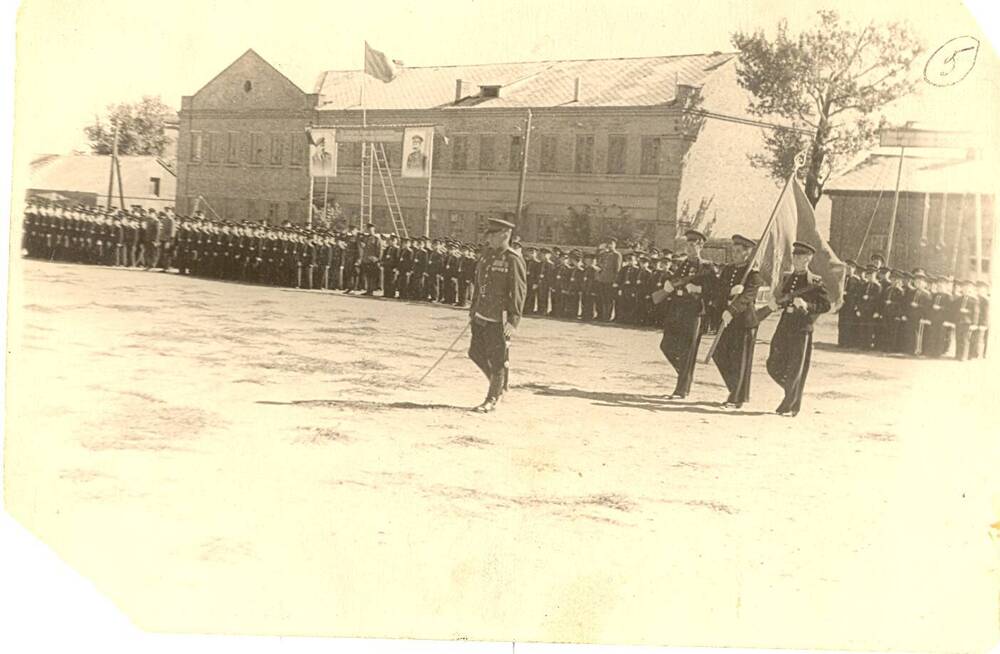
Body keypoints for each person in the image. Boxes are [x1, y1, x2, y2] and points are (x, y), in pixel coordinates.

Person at [467, 218, 527, 413]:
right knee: (475, 353)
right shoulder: (487, 255)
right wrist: (474, 308)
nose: (489, 239)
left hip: (498, 317)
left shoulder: (513, 259)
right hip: (481, 313)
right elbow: (479, 283)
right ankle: (498, 383)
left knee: (497, 359)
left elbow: (519, 291)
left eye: (492, 235)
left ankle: (492, 398)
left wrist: (513, 319)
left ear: (504, 235)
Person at [765, 241, 831, 417]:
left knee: (795, 367)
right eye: (795, 255)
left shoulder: (814, 281)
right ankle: (791, 393)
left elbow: (826, 305)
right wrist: (775, 303)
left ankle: (790, 403)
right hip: (785, 324)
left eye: (800, 256)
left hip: (801, 327)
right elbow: (782, 297)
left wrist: (807, 305)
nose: (796, 259)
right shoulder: (788, 278)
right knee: (773, 363)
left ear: (808, 259)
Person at [659, 229, 716, 399]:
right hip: (677, 309)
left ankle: (681, 389)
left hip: (693, 312)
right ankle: (685, 375)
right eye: (688, 245)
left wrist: (699, 289)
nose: (690, 248)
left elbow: (715, 290)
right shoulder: (683, 265)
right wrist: (668, 285)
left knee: (687, 351)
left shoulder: (707, 267)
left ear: (701, 246)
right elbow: (674, 279)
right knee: (666, 345)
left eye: (693, 245)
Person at [711, 234, 764, 408]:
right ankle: (736, 390)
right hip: (728, 320)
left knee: (739, 361)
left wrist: (733, 309)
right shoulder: (728, 270)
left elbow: (748, 297)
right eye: (733, 250)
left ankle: (735, 397)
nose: (735, 254)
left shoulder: (753, 275)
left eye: (739, 251)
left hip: (744, 321)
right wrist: (730, 291)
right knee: (719, 354)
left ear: (747, 253)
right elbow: (718, 290)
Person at [598, 238, 622, 321]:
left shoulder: (617, 255)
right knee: (603, 298)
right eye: (608, 244)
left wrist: (616, 281)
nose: (610, 245)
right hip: (603, 279)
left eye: (612, 244)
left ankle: (607, 316)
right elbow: (600, 265)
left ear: (615, 245)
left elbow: (617, 269)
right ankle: (602, 315)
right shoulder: (604, 254)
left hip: (610, 280)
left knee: (609, 299)